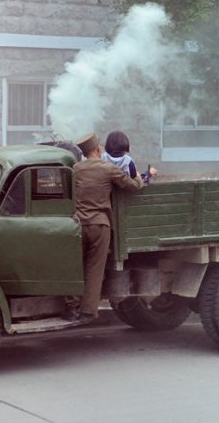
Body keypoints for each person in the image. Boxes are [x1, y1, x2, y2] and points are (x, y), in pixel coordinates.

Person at [64, 132, 144, 322]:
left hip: (77, 226)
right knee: (94, 270)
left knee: (75, 268)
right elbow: (133, 186)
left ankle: (70, 308)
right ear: (97, 150)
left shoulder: (74, 169)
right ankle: (88, 312)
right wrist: (140, 178)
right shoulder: (108, 169)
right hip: (100, 226)